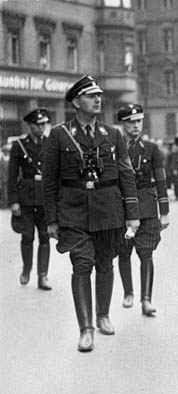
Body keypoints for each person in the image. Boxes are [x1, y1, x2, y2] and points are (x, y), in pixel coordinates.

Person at [42, 75, 140, 352]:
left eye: (99, 95)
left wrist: (132, 213)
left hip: (109, 209)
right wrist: (51, 219)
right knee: (82, 264)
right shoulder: (59, 135)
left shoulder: (112, 135)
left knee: (106, 263)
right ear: (76, 101)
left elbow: (127, 176)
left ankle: (103, 315)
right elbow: (50, 181)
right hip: (73, 210)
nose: (97, 99)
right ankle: (86, 329)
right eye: (90, 95)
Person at [116, 104, 170, 316]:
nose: (136, 126)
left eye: (139, 121)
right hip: (121, 208)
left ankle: (146, 299)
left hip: (147, 207)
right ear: (123, 123)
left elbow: (161, 180)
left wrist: (164, 212)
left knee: (146, 254)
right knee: (123, 252)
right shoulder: (114, 146)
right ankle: (128, 292)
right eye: (131, 122)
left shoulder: (151, 148)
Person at [7, 108, 52, 290]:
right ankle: (27, 269)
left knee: (45, 237)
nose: (41, 128)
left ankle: (43, 276)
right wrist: (13, 201)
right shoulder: (20, 145)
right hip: (25, 197)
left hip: (45, 199)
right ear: (30, 125)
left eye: (44, 124)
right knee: (27, 236)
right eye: (38, 125)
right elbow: (11, 175)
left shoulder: (50, 143)